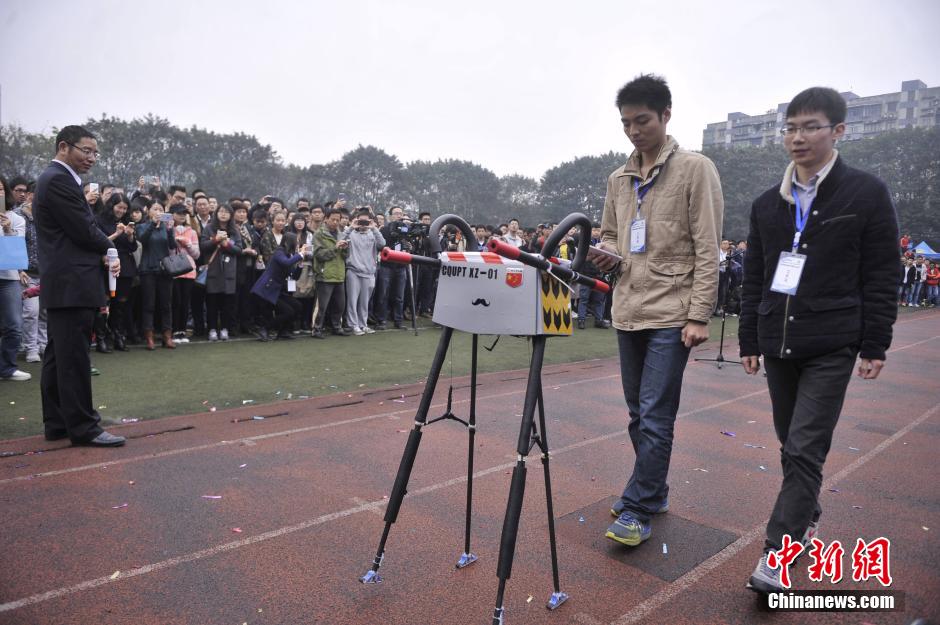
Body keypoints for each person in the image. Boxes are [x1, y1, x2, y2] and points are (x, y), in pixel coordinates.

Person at [738, 87, 899, 594]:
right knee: (792, 444)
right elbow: (756, 275)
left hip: (833, 340)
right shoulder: (769, 203)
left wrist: (876, 342)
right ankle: (807, 514)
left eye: (810, 127)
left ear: (838, 131)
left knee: (806, 446)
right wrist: (749, 336)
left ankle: (778, 555)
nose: (797, 137)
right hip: (778, 341)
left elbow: (882, 272)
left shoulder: (865, 193)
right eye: (790, 128)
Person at [593, 74, 723, 547]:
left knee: (654, 412)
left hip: (673, 310)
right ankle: (655, 489)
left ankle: (638, 506)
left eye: (641, 120)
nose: (632, 131)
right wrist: (605, 250)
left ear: (666, 116)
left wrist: (699, 314)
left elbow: (708, 247)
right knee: (636, 411)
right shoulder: (618, 178)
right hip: (628, 306)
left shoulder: (695, 169)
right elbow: (610, 233)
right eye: (625, 122)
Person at [33, 125, 125, 445]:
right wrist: (109, 248)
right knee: (72, 358)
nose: (92, 158)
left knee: (60, 355)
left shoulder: (58, 179)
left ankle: (59, 422)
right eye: (86, 151)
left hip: (66, 282)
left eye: (95, 153)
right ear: (63, 147)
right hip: (72, 281)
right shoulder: (58, 179)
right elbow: (84, 229)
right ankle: (84, 427)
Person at [95, 193, 137, 352]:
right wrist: (117, 234)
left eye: (125, 208)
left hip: (125, 267)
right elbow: (98, 242)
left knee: (120, 304)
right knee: (104, 304)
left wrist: (130, 235)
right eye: (119, 207)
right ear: (111, 205)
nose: (122, 211)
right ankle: (101, 339)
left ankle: (118, 336)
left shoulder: (127, 222)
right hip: (106, 264)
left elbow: (133, 247)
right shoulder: (100, 220)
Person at [136, 194, 178, 350]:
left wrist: (170, 230)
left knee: (166, 304)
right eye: (155, 209)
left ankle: (167, 336)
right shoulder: (143, 226)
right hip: (148, 269)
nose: (158, 211)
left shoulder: (166, 227)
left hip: (165, 270)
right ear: (149, 211)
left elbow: (172, 246)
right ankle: (149, 336)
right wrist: (153, 224)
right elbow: (142, 240)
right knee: (149, 304)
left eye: (161, 209)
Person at [250, 232, 305, 341]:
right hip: (267, 288)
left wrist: (300, 264)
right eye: (296, 242)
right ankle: (265, 329)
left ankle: (283, 331)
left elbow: (294, 276)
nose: (298, 244)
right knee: (288, 311)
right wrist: (300, 255)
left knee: (298, 306)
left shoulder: (289, 255)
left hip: (277, 290)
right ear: (290, 242)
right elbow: (286, 263)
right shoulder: (279, 252)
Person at [13, 181, 46, 362]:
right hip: (25, 272)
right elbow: (13, 244)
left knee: (45, 311)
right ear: (32, 195)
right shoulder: (17, 216)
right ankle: (31, 348)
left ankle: (43, 344)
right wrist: (19, 268)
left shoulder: (46, 215)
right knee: (31, 312)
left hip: (46, 271)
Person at [200, 203, 242, 341]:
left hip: (229, 272)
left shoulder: (234, 231)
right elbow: (203, 246)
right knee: (212, 302)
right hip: (213, 270)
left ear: (231, 215)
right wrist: (215, 240)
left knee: (227, 303)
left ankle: (224, 328)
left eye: (226, 212)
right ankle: (212, 329)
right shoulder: (209, 229)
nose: (223, 214)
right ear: (216, 213)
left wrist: (227, 244)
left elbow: (238, 250)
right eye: (221, 211)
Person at [1, 179, 29, 381]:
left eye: (0, 189)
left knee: (14, 325)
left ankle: (7, 368)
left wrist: (8, 229)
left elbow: (17, 252)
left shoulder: (17, 219)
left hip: (9, 278)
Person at [343, 209, 385, 335]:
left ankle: (363, 324)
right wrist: (351, 227)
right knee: (352, 300)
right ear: (356, 219)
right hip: (353, 270)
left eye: (365, 221)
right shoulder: (351, 233)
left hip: (369, 272)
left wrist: (374, 228)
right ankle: (353, 325)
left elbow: (382, 244)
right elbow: (339, 240)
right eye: (360, 220)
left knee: (364, 301)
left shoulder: (373, 233)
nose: (363, 223)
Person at [311, 207, 350, 338]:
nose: (335, 222)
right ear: (326, 219)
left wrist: (345, 249)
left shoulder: (341, 233)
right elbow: (319, 255)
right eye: (332, 219)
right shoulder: (319, 234)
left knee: (340, 305)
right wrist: (335, 247)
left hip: (339, 274)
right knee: (322, 306)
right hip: (324, 275)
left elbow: (345, 256)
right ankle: (316, 329)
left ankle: (336, 327)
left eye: (337, 220)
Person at [169, 204, 199, 343]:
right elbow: (167, 250)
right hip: (174, 271)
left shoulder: (191, 231)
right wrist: (173, 238)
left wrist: (187, 244)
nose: (182, 215)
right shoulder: (168, 229)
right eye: (179, 213)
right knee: (176, 302)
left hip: (189, 271)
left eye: (184, 213)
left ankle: (182, 331)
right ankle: (175, 330)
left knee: (185, 302)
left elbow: (196, 254)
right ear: (172, 214)